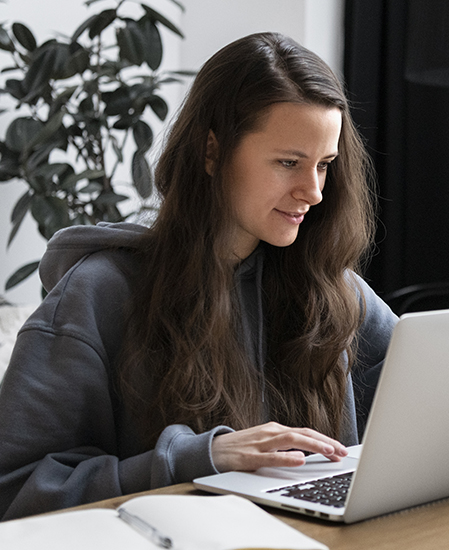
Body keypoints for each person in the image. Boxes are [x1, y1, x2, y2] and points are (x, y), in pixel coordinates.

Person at [0, 32, 397, 521]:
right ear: (212, 152)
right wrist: (197, 459)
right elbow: (15, 489)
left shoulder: (329, 287)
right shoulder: (100, 292)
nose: (313, 192)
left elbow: (427, 390)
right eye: (288, 163)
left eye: (324, 165)